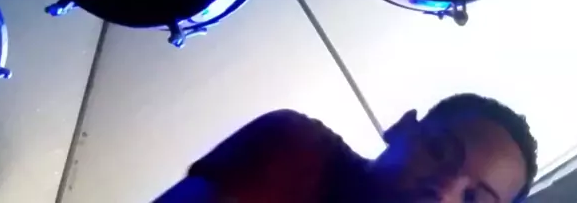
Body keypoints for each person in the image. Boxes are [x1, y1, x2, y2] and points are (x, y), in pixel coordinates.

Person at [154, 93, 537, 203]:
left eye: (472, 200)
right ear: (401, 128)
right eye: (439, 152)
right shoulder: (299, 148)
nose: (443, 193)